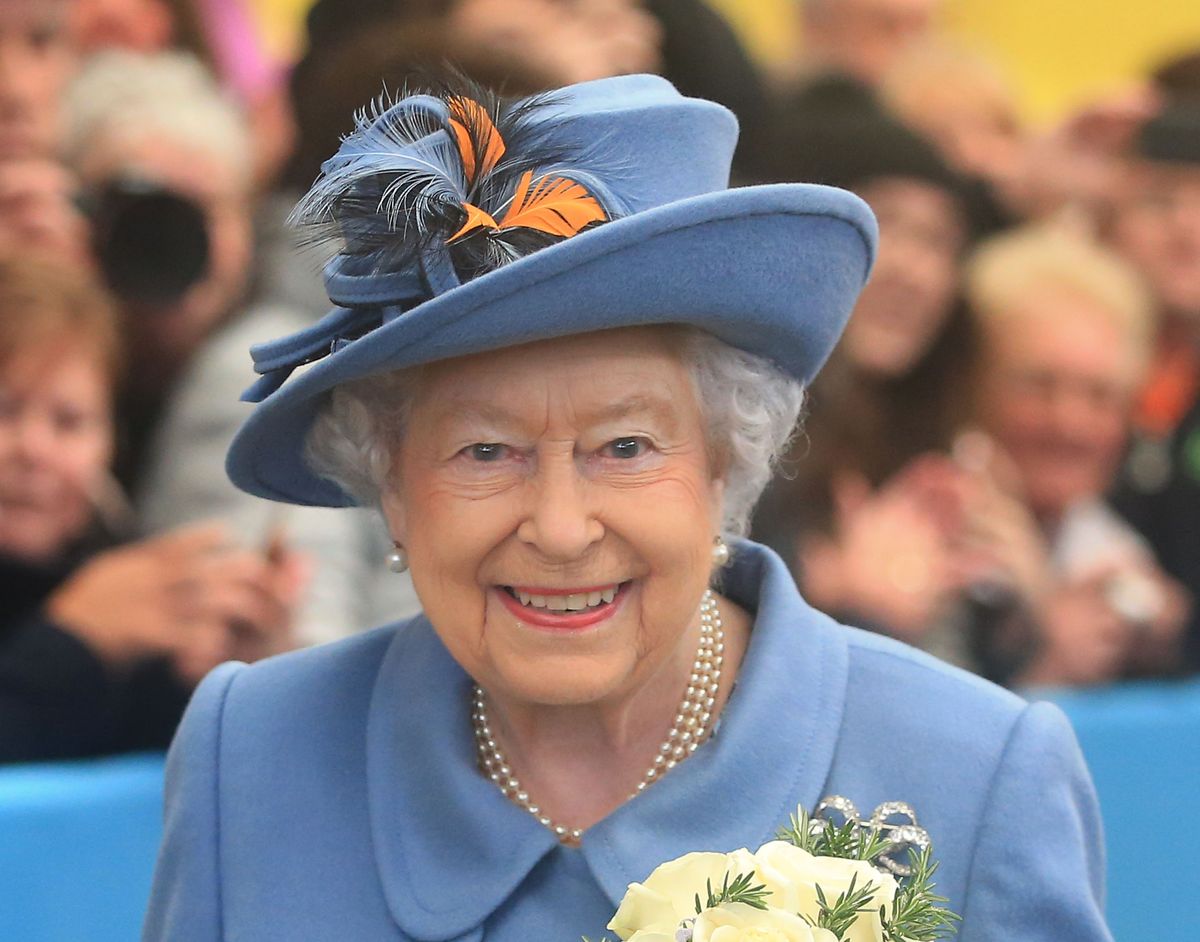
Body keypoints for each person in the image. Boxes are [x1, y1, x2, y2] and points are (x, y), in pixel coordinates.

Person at [143, 75, 1109, 940]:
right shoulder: (253, 755)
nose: (561, 528)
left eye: (626, 448)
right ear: (390, 488)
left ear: (727, 464)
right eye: (486, 451)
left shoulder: (977, 774)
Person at [0, 252, 303, 763]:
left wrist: (242, 679)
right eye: (7, 411)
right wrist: (74, 641)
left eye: (69, 421)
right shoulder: (102, 610)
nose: (34, 450)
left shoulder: (127, 590)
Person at [965, 225, 1189, 684]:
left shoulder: (1100, 538)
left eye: (1100, 395)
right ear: (972, 385)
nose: (1070, 424)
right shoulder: (932, 528)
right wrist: (1041, 656)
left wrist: (1164, 636)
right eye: (1038, 384)